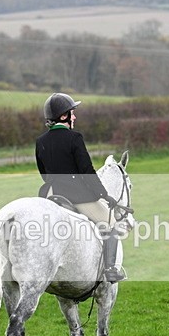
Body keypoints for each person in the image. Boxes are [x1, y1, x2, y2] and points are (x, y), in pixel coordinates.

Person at [35, 92, 126, 282]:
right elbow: (87, 170)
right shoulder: (74, 138)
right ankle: (110, 269)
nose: (74, 117)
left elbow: (44, 174)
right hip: (76, 194)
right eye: (72, 113)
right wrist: (103, 194)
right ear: (63, 116)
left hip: (51, 193)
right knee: (110, 223)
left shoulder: (40, 141)